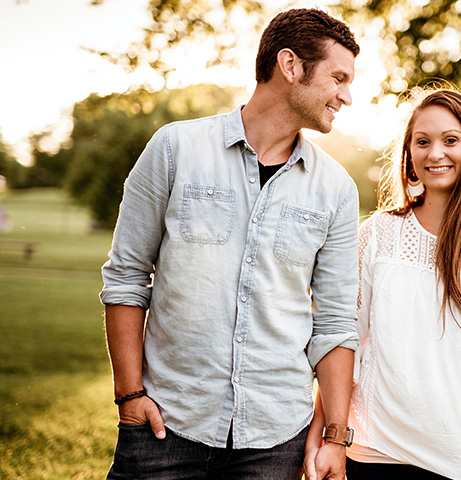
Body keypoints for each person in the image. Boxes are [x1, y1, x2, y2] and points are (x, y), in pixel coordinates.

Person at [100, 8, 360, 480]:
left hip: (274, 439)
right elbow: (126, 276)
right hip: (165, 428)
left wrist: (335, 437)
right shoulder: (175, 149)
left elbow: (337, 322)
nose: (347, 95)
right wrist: (130, 395)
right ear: (291, 65)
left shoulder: (337, 189)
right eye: (338, 78)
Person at [341, 89, 461, 479]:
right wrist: (329, 436)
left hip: (459, 463)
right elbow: (347, 341)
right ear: (409, 154)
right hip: (372, 450)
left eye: (451, 140)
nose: (435, 154)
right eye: (422, 141)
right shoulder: (377, 233)